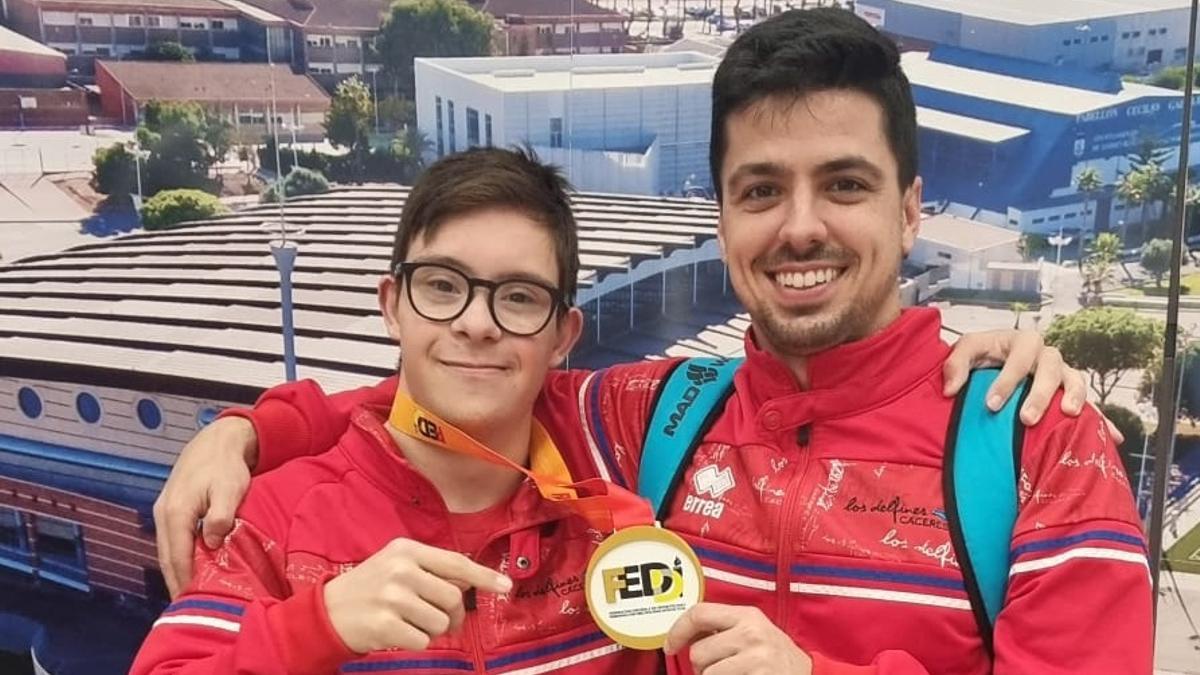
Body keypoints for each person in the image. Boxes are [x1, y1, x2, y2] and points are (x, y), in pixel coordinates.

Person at [150, 9, 1149, 674]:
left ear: (912, 209)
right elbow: (466, 390)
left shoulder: (1037, 445)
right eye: (761, 190)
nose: (801, 226)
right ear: (722, 221)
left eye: (845, 184)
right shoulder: (655, 415)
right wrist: (250, 430)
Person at [131, 148, 663, 673]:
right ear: (392, 307)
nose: (476, 323)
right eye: (442, 285)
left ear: (561, 336)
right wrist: (319, 628)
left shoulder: (623, 442)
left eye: (519, 297)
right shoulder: (275, 520)